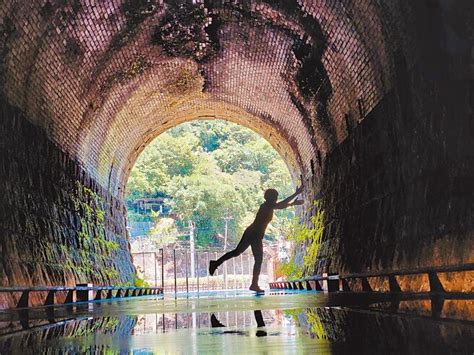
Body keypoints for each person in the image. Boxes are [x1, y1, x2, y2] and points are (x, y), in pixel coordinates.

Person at [209, 185, 304, 292]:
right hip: (253, 234)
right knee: (252, 258)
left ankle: (217, 264)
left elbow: (280, 205)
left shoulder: (268, 206)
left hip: (254, 234)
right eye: (275, 196)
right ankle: (253, 284)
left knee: (240, 253)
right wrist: (295, 195)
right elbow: (280, 205)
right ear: (270, 198)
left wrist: (292, 203)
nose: (277, 199)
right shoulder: (266, 206)